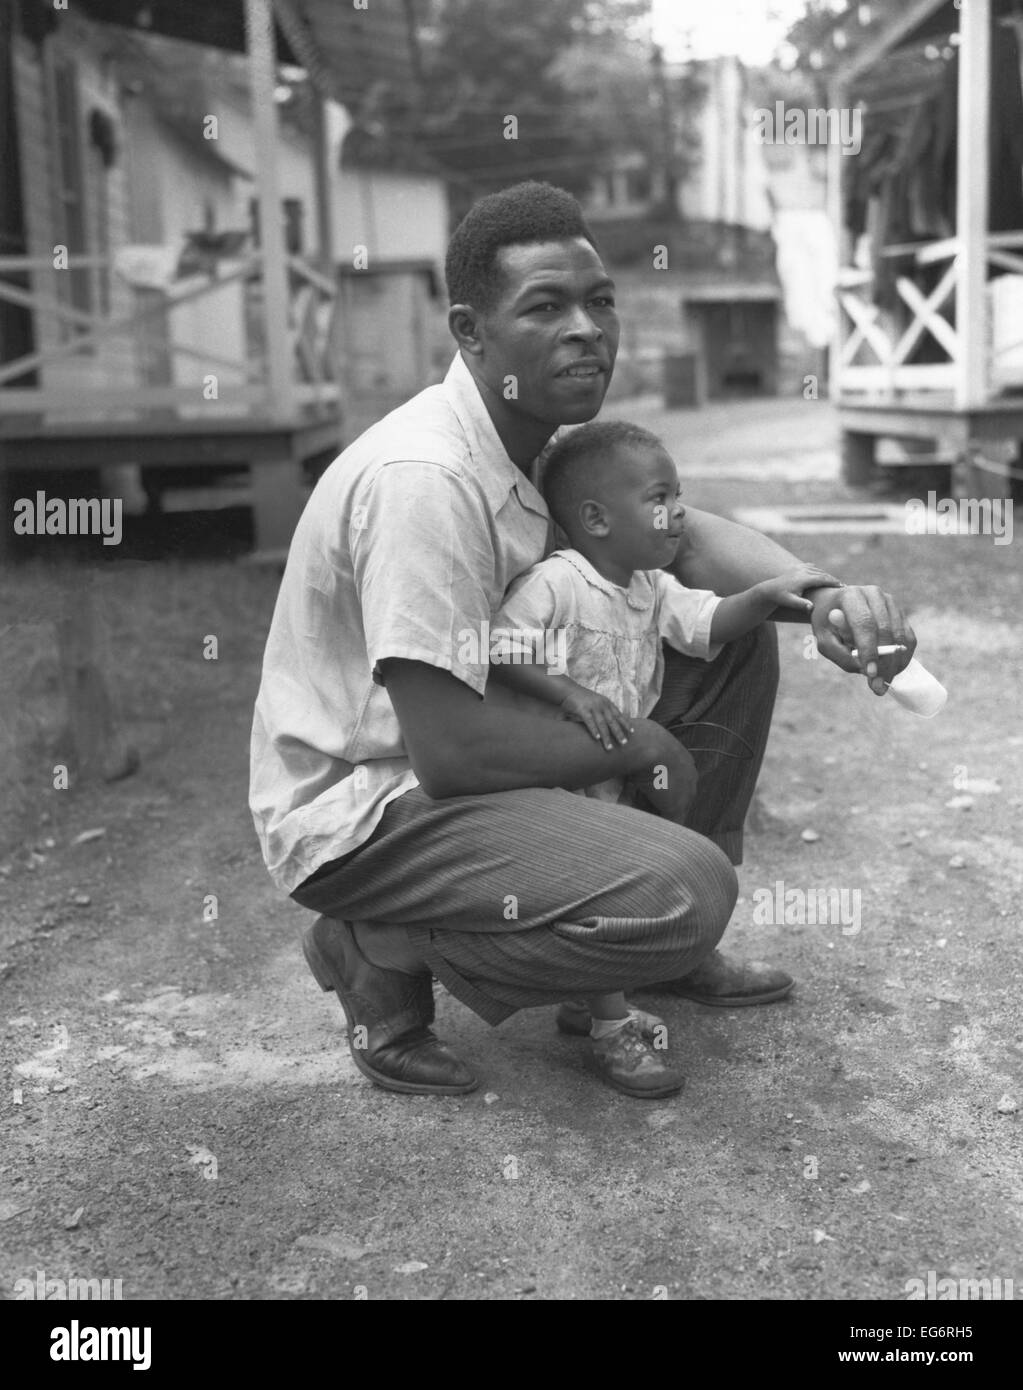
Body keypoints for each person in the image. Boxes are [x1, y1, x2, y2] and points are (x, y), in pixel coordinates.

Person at [249, 180, 915, 1102]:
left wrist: (822, 597)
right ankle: (374, 942)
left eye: (600, 301)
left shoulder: (532, 442)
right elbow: (448, 751)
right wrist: (645, 743)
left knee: (733, 639)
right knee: (685, 893)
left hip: (461, 751)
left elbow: (682, 537)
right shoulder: (428, 480)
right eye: (546, 306)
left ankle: (633, 954)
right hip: (371, 804)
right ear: (470, 331)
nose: (586, 328)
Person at [486, 419, 841, 1095]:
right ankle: (608, 1027)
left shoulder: (649, 586)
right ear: (594, 518)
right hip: (560, 770)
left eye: (678, 493)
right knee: (593, 884)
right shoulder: (557, 584)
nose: (677, 511)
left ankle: (599, 988)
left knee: (626, 881)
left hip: (617, 764)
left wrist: (762, 597)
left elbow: (706, 623)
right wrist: (564, 693)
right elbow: (500, 648)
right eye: (660, 497)